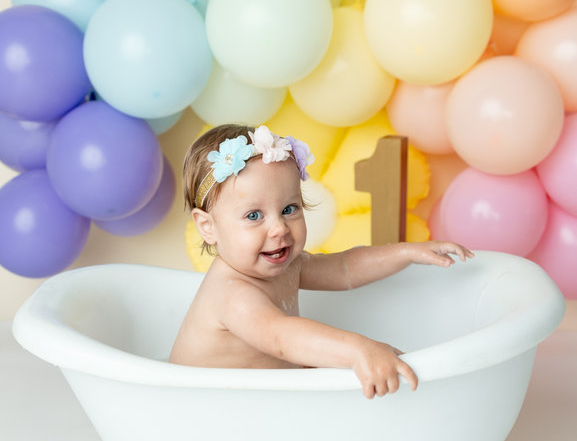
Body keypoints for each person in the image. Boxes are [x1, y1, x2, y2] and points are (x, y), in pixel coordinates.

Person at [170, 123, 474, 398]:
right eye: (253, 215)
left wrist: (406, 252)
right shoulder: (232, 293)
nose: (279, 228)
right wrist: (359, 349)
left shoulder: (288, 266)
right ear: (207, 227)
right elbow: (281, 337)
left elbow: (345, 269)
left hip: (259, 396)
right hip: (203, 406)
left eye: (289, 208)